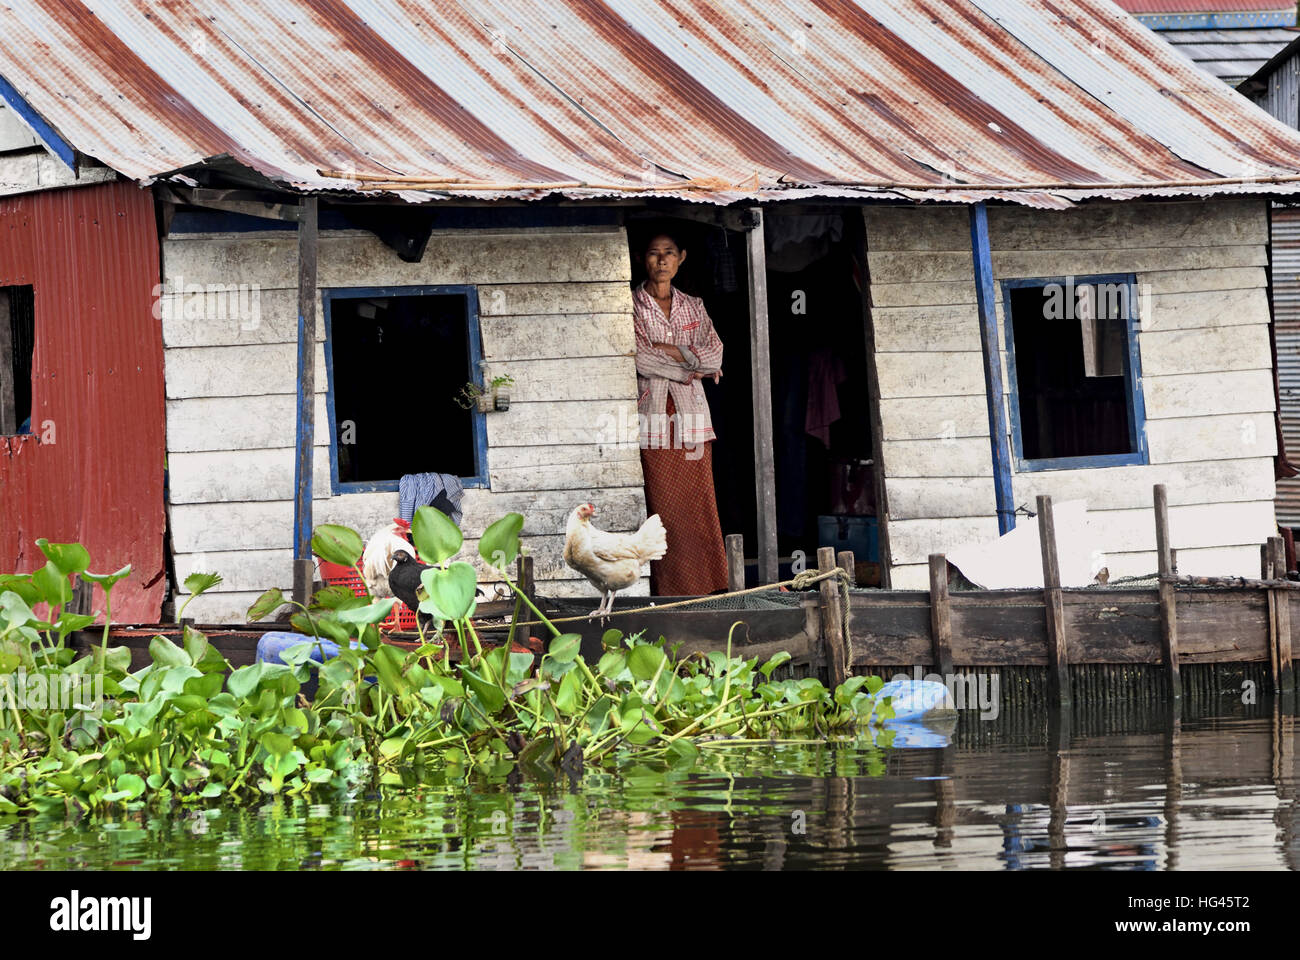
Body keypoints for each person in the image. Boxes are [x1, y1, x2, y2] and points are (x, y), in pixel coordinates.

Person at [632, 232, 729, 596]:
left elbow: (715, 356)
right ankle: (670, 591)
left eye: (668, 253)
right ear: (644, 258)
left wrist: (670, 351)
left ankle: (712, 588)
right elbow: (640, 357)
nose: (661, 260)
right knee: (664, 509)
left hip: (692, 419)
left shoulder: (694, 305)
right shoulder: (632, 304)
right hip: (655, 419)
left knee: (700, 505)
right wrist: (693, 366)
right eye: (654, 254)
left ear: (681, 257)